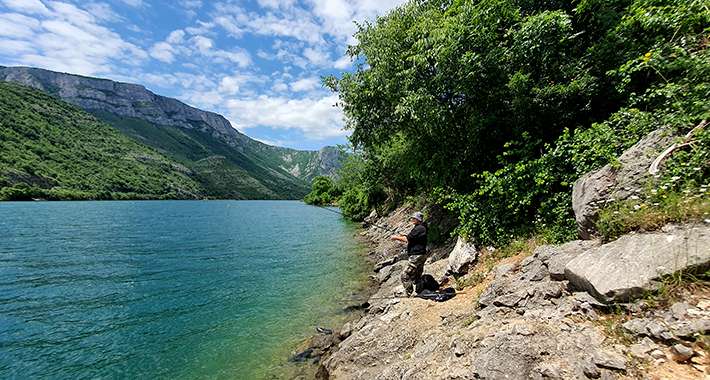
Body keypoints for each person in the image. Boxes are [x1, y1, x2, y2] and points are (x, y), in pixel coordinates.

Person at [390, 211, 428, 296]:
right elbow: (412, 237)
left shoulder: (419, 228)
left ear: (418, 219)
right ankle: (420, 291)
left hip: (416, 255)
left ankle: (408, 293)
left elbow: (407, 239)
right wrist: (404, 235)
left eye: (414, 218)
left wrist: (395, 237)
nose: (412, 219)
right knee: (417, 275)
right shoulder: (421, 227)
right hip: (421, 254)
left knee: (405, 275)